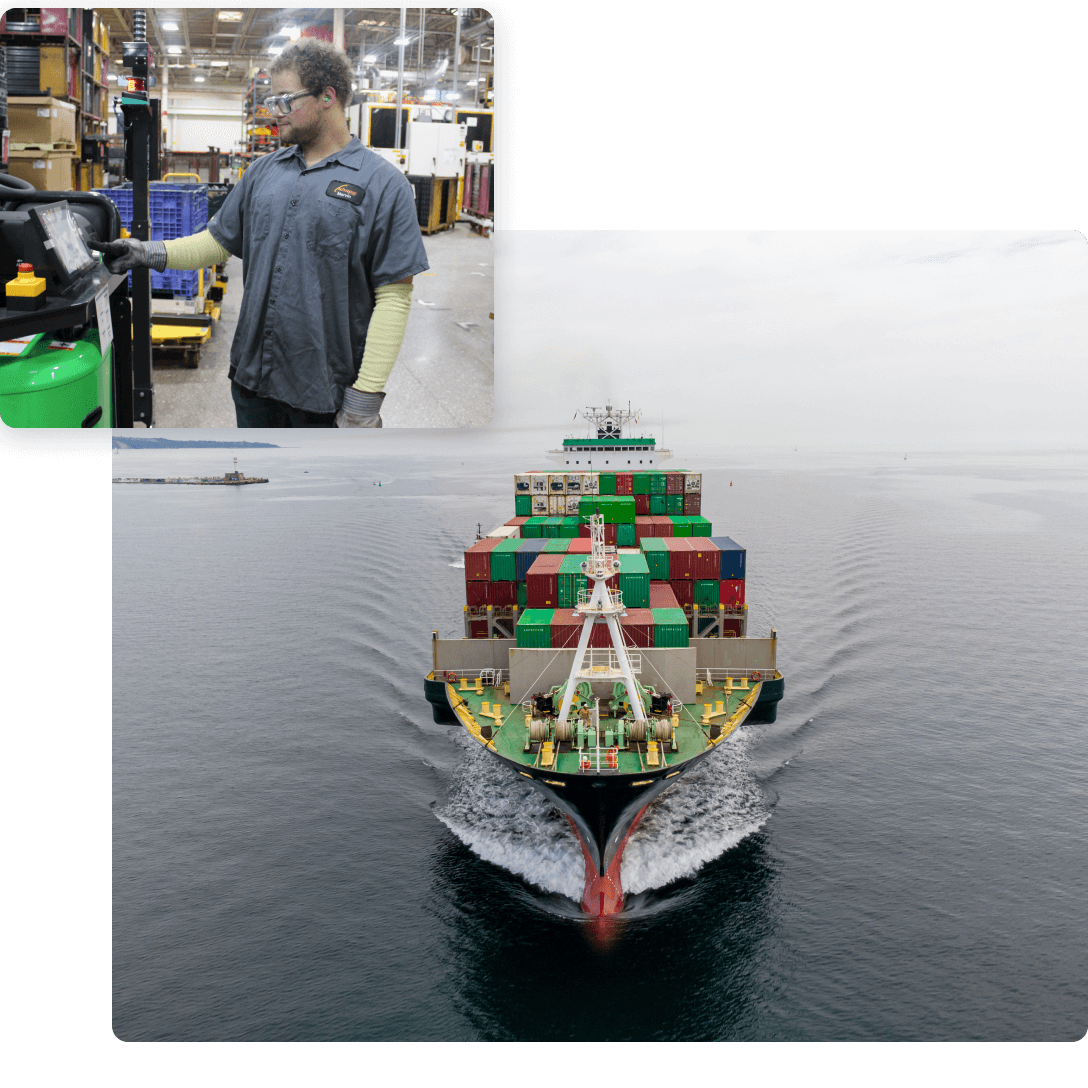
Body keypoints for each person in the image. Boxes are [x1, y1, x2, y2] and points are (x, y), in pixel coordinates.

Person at [91, 39, 430, 428]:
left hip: (324, 394)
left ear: (327, 97)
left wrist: (365, 399)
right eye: (273, 102)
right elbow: (218, 242)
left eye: (285, 100)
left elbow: (394, 297)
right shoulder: (263, 172)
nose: (275, 114)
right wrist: (145, 252)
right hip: (253, 380)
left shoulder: (384, 184)